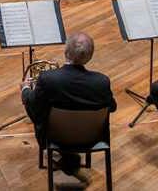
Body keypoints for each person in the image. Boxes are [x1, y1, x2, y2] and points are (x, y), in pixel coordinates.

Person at [21, 32, 116, 180]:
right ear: (90, 56)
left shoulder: (48, 79)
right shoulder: (102, 82)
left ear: (66, 52)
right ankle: (68, 161)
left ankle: (64, 159)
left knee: (40, 112)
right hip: (93, 138)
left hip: (56, 138)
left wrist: (25, 90)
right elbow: (112, 107)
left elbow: (34, 109)